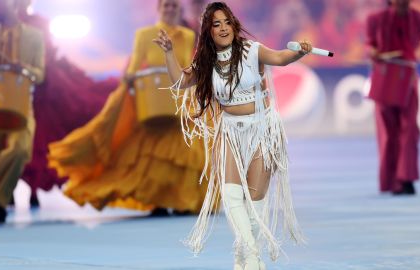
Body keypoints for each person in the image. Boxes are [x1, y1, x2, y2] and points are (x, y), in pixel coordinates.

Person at [153, 2, 309, 268]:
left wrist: (299, 53)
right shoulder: (206, 61)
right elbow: (180, 82)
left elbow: (282, 58)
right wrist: (169, 53)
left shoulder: (252, 50)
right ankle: (251, 257)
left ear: (234, 25)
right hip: (230, 132)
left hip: (262, 129)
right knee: (232, 195)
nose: (223, 28)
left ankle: (244, 256)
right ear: (209, 32)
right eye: (216, 24)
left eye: (227, 22)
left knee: (255, 202)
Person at [47, 0, 207, 215]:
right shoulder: (144, 34)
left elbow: (187, 67)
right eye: (166, 5)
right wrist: (131, 77)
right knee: (151, 153)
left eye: (174, 6)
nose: (170, 9)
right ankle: (157, 200)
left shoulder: (187, 36)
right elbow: (133, 66)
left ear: (179, 10)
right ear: (159, 9)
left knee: (183, 150)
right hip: (152, 98)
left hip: (178, 99)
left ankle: (182, 200)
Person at [14, 0, 114, 207]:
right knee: (15, 138)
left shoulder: (40, 21)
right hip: (15, 86)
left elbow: (46, 51)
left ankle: (32, 188)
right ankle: (7, 189)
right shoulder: (6, 22)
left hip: (44, 86)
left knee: (41, 138)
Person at [0, 0, 44, 224]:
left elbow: (40, 74)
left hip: (22, 104)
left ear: (14, 4)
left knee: (21, 150)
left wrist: (22, 68)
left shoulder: (34, 36)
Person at [366, 0, 420, 195]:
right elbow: (370, 47)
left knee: (410, 128)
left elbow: (415, 43)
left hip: (407, 76)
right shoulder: (375, 20)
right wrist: (374, 53)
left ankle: (406, 178)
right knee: (387, 131)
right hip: (384, 76)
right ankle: (391, 181)